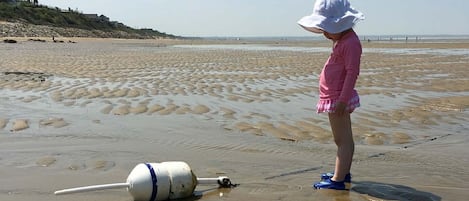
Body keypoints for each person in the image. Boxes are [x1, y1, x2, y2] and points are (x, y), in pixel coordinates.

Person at [297, 0, 364, 190]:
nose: (324, 33)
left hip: (337, 99)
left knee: (342, 140)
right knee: (344, 139)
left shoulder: (350, 43)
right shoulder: (343, 40)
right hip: (335, 97)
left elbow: (352, 72)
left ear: (341, 23)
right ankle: (342, 172)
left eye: (327, 28)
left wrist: (342, 101)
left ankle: (338, 180)